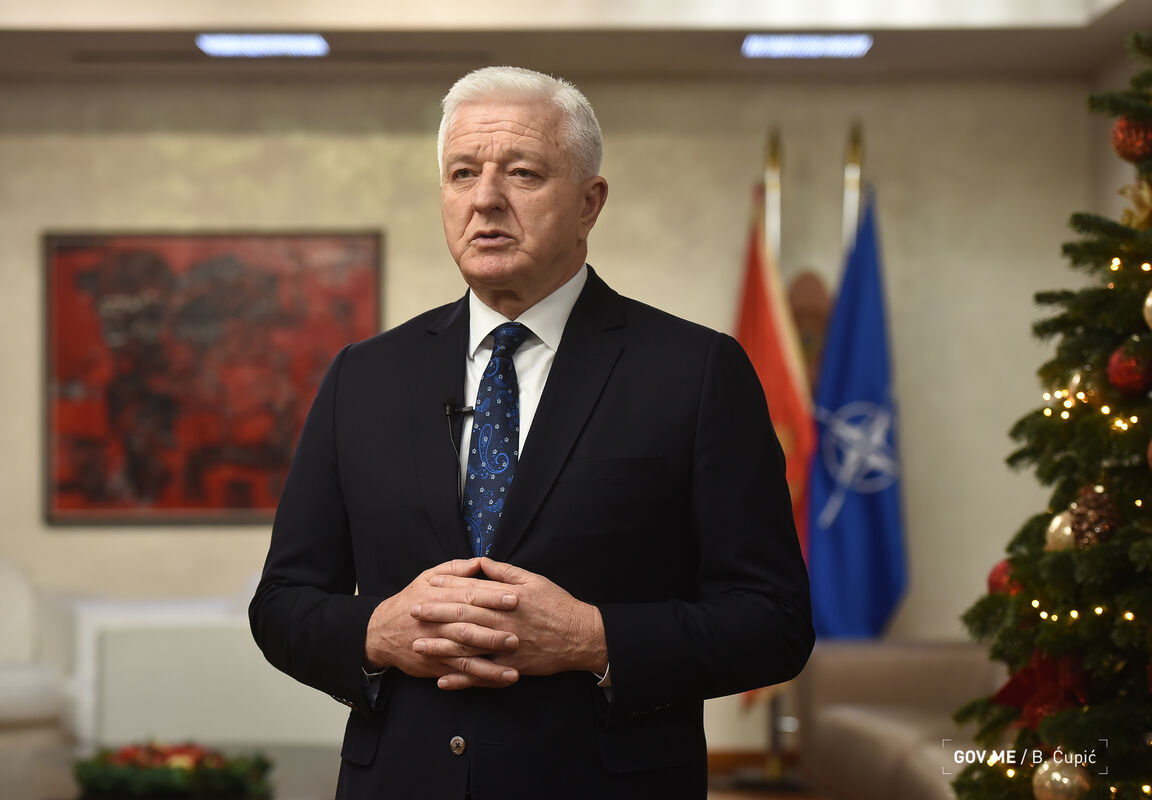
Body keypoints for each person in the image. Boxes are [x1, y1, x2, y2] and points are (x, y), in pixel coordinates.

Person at [249, 65, 813, 800]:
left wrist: (592, 639)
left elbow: (774, 622)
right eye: (462, 173)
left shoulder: (696, 371)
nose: (485, 199)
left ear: (589, 203)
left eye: (522, 173)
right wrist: (376, 632)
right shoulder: (364, 375)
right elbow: (283, 603)